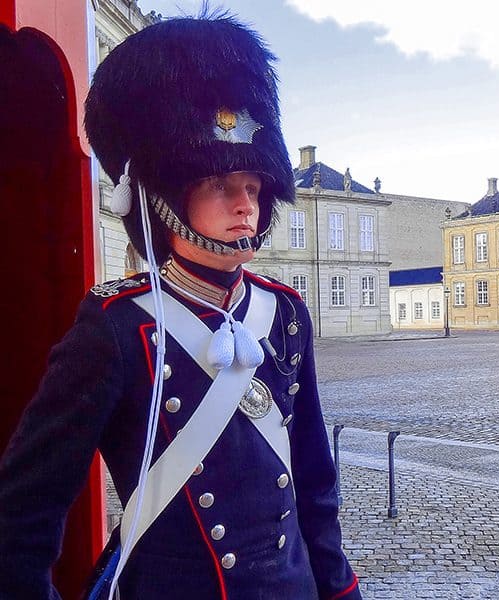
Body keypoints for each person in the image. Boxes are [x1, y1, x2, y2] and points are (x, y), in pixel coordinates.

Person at [0, 15, 361, 600]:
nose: (245, 205)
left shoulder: (285, 311)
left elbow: (315, 482)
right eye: (220, 185)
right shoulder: (116, 328)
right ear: (165, 195)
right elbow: (25, 512)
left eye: (253, 186)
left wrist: (339, 589)